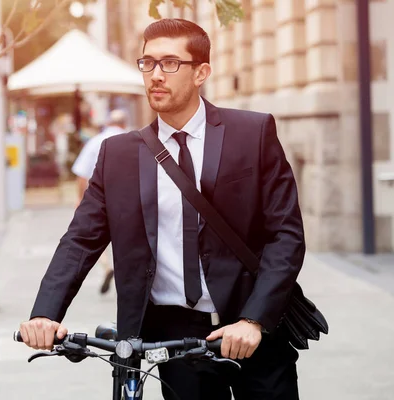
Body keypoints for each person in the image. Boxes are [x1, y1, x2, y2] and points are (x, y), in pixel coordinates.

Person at [19, 18, 305, 400]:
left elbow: (286, 235)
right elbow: (80, 241)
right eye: (147, 63)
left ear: (201, 72)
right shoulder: (117, 154)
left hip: (253, 326)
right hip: (174, 338)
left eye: (170, 63)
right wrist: (45, 313)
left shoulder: (251, 133)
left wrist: (254, 320)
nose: (156, 74)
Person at [71, 109, 128, 294]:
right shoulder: (133, 139)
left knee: (97, 234)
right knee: (126, 237)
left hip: (100, 197)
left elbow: (82, 173)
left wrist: (81, 199)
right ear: (124, 123)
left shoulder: (96, 141)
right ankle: (125, 272)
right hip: (128, 197)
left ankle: (106, 266)